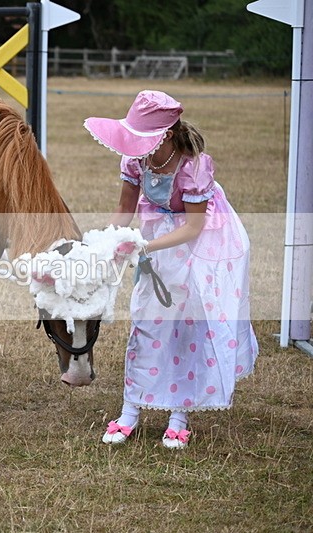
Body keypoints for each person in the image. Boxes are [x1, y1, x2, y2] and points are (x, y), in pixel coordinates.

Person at [84, 90, 258, 449]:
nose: (134, 146)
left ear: (164, 135)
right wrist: (109, 241)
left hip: (201, 244)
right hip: (159, 238)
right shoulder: (136, 161)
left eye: (142, 137)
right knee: (147, 320)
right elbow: (124, 208)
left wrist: (145, 246)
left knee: (187, 325)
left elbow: (193, 228)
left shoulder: (194, 166)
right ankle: (130, 408)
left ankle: (180, 413)